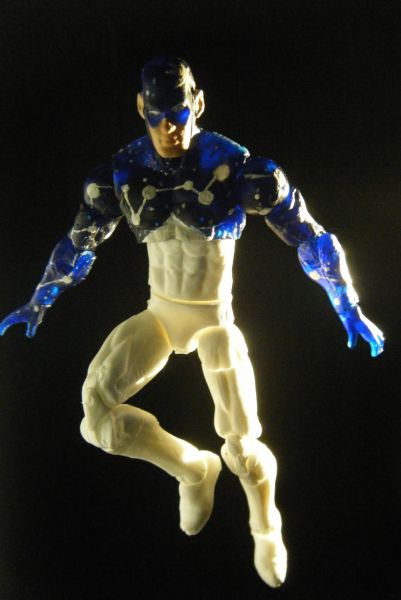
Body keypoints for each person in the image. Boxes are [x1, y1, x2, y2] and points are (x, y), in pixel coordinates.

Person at [0, 56, 384, 587]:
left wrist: (347, 303)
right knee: (97, 418)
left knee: (242, 447)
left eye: (178, 114)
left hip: (213, 321)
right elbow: (79, 242)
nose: (169, 128)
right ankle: (191, 468)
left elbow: (310, 237)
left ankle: (265, 526)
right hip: (160, 314)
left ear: (197, 104)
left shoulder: (240, 168)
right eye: (157, 116)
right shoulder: (123, 173)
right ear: (141, 108)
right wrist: (40, 299)